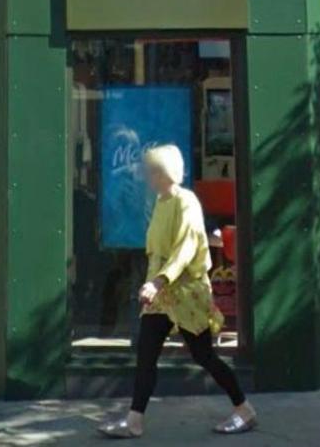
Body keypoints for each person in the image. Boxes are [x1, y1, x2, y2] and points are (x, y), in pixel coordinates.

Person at [98, 145, 254, 438]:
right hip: (162, 294)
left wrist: (158, 282)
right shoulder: (161, 201)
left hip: (186, 293)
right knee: (146, 353)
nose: (146, 177)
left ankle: (244, 409)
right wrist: (152, 285)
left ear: (163, 173)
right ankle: (134, 421)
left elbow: (185, 249)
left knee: (204, 355)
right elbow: (157, 252)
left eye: (150, 171)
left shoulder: (186, 202)